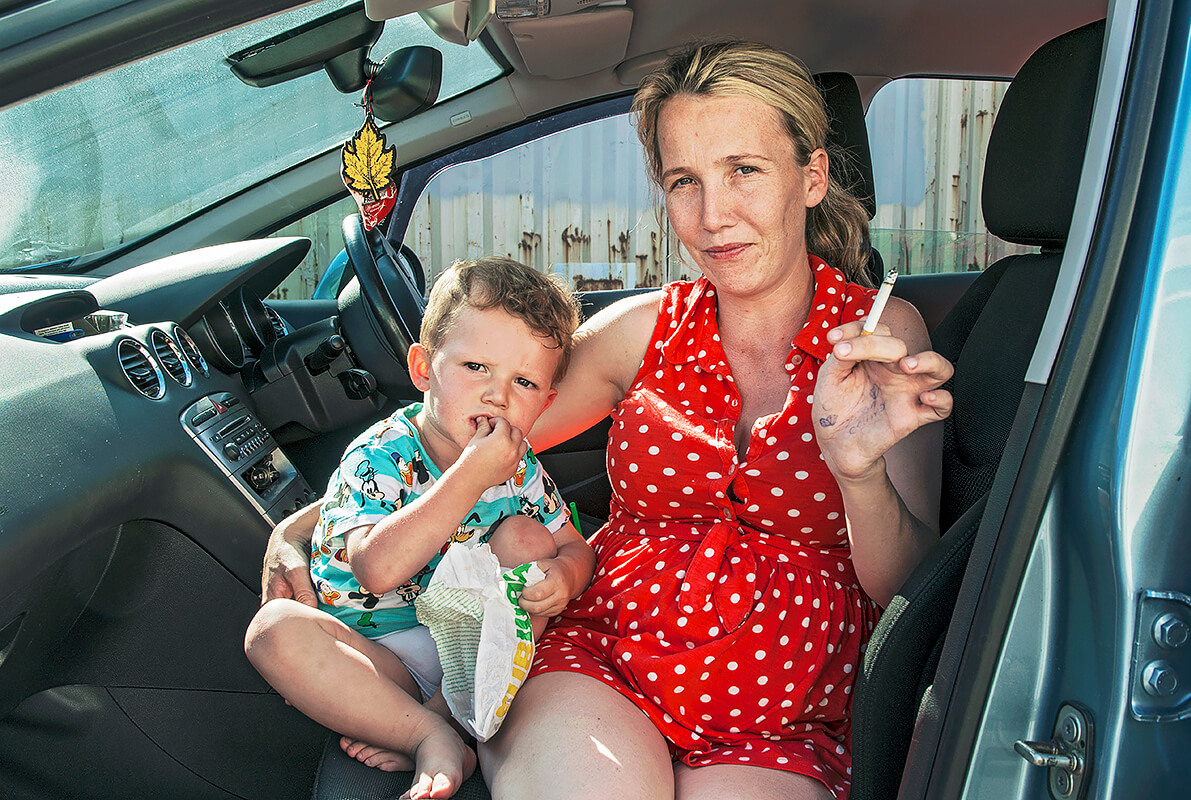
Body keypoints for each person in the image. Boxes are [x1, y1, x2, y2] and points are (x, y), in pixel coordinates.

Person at [261, 39, 953, 800]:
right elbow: (475, 436)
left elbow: (906, 585)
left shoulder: (880, 342)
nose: (713, 216)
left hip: (780, 713)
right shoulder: (643, 330)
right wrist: (302, 526)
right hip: (604, 659)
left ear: (811, 176)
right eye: (684, 181)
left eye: (744, 172)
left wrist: (856, 475)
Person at [245, 257, 594, 800]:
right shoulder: (382, 453)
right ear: (424, 368)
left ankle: (457, 713)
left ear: (545, 402)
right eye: (476, 367)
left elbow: (574, 545)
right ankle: (427, 731)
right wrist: (470, 475)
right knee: (272, 631)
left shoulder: (519, 466)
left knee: (529, 539)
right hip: (377, 655)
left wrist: (565, 576)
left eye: (523, 381)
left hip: (472, 648)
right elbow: (377, 569)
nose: (496, 395)